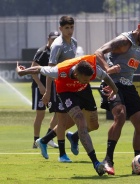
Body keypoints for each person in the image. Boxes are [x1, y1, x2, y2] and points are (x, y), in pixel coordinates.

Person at [16, 55, 118, 176]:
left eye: (89, 80)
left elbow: (106, 77)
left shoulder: (93, 70)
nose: (88, 81)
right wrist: (22, 72)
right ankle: (96, 163)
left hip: (84, 92)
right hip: (66, 92)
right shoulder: (60, 70)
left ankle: (68, 138)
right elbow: (38, 69)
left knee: (94, 125)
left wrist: (115, 91)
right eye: (85, 79)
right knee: (80, 120)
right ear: (76, 74)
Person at [94, 16, 140, 175]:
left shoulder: (139, 44)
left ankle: (139, 164)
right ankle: (108, 160)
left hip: (127, 86)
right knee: (120, 115)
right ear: (139, 26)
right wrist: (107, 68)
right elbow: (98, 52)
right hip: (112, 83)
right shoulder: (125, 41)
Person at [41, 15, 79, 162]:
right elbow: (50, 70)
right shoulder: (57, 45)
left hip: (71, 86)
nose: (70, 31)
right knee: (62, 120)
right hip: (59, 87)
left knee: (76, 115)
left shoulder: (74, 42)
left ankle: (44, 140)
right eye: (66, 28)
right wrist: (48, 92)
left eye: (72, 27)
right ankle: (62, 154)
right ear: (60, 29)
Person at [31, 31, 60, 149]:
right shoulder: (42, 52)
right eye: (52, 39)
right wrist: (40, 86)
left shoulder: (58, 52)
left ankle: (48, 137)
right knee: (40, 114)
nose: (54, 41)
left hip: (54, 87)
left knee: (59, 112)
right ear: (48, 39)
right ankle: (35, 140)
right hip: (40, 87)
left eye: (56, 39)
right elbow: (33, 70)